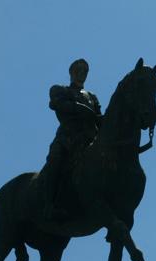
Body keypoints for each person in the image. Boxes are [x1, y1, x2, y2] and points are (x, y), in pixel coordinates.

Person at [44, 59, 102, 219]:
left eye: (84, 71)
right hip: (67, 139)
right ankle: (48, 205)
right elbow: (57, 104)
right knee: (55, 162)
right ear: (71, 72)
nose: (81, 74)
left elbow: (99, 119)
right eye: (78, 70)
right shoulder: (59, 90)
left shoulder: (92, 97)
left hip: (89, 141)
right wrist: (80, 108)